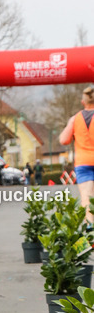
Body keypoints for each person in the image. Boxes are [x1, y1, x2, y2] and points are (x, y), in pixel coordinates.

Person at [59, 85, 94, 224]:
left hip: (83, 163)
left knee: (87, 199)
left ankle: (90, 234)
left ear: (82, 102)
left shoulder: (75, 119)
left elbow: (63, 139)